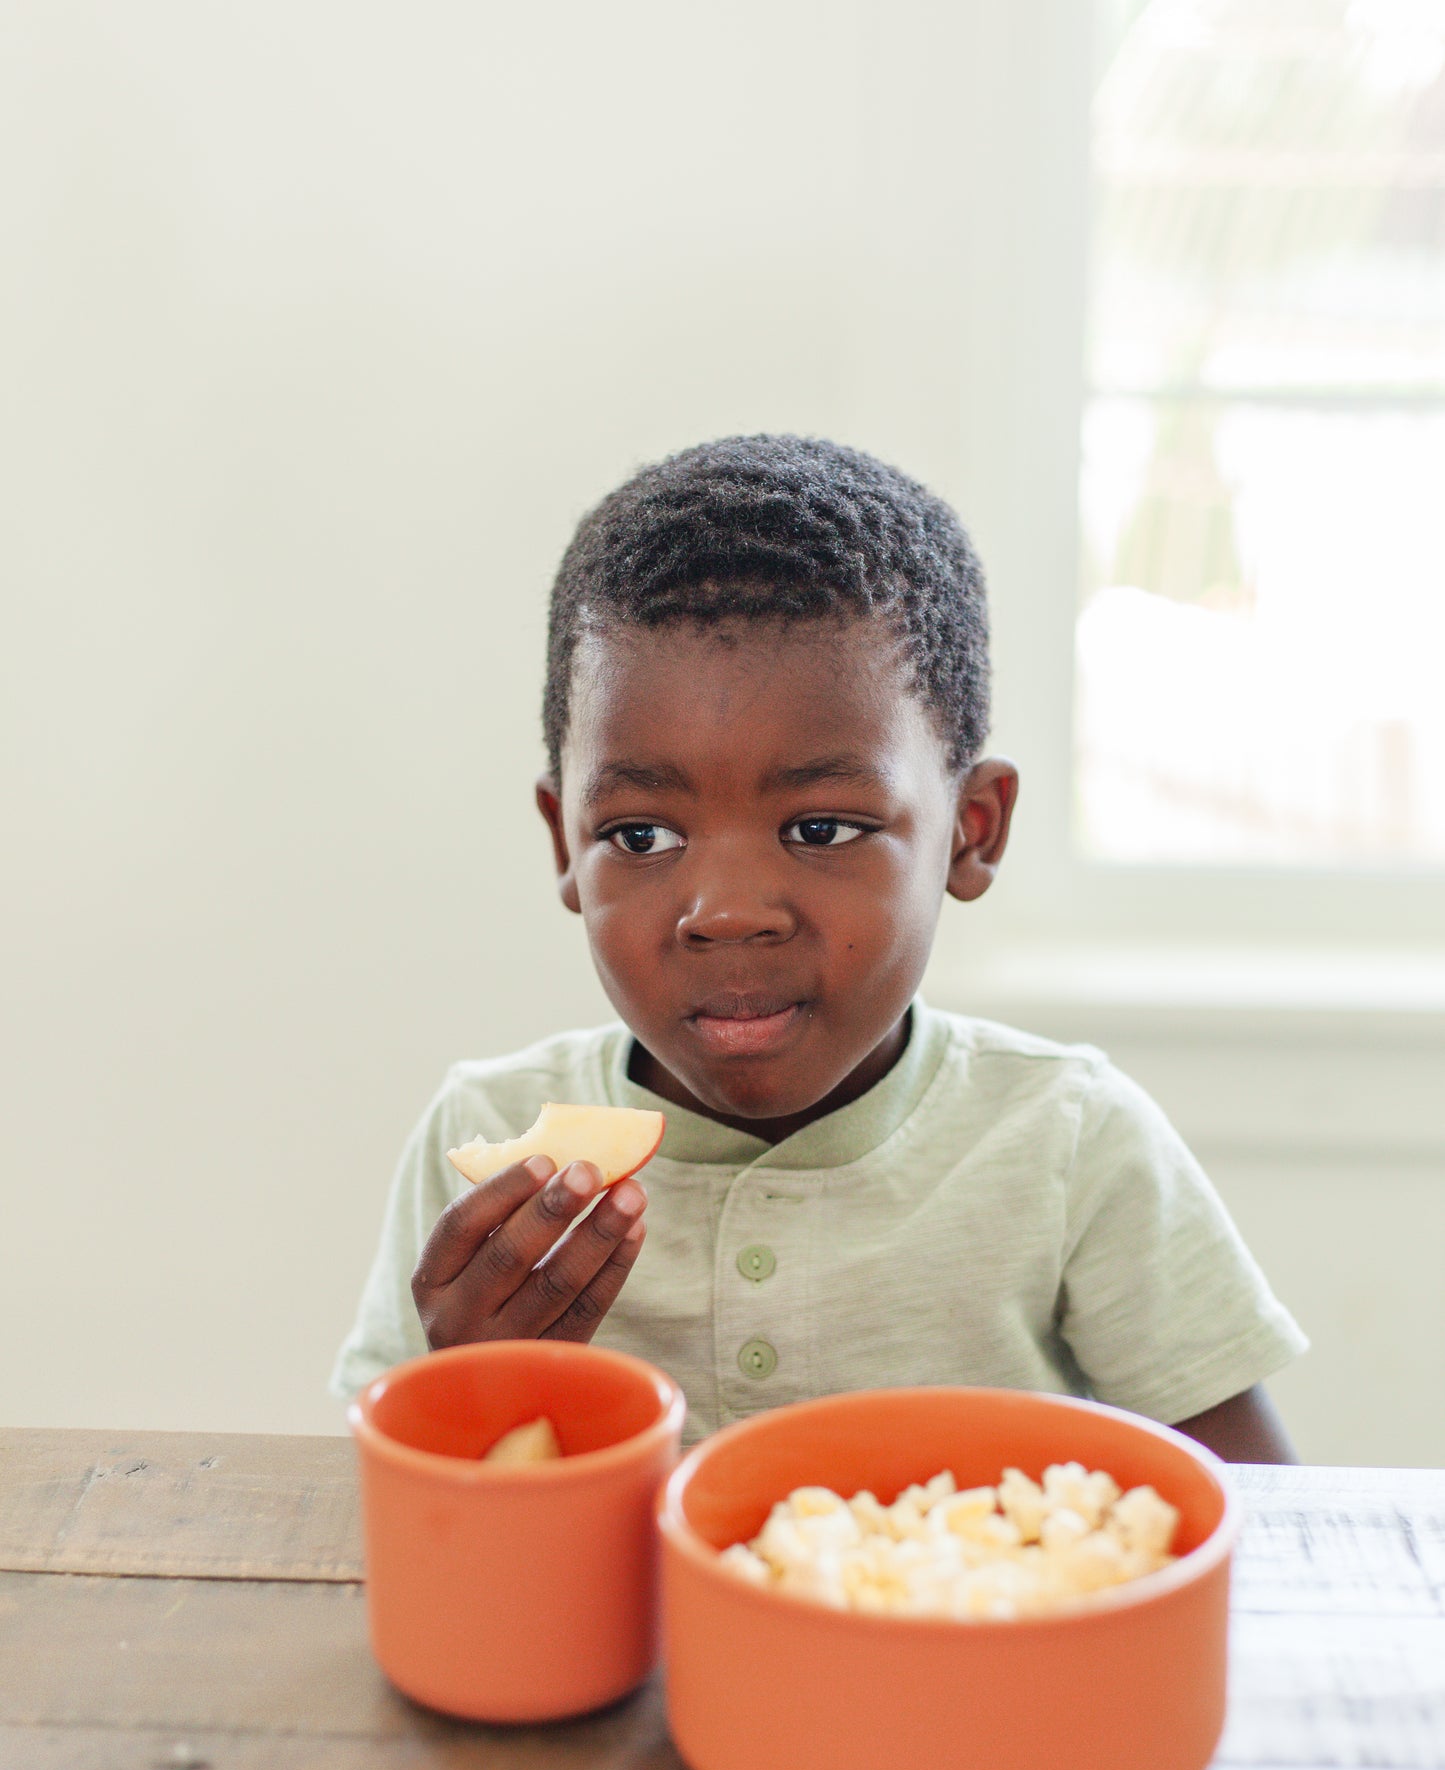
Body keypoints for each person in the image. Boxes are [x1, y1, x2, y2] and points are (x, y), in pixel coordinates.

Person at [332, 435, 1305, 1461]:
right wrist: (468, 1391)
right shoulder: (489, 1142)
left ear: (969, 831)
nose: (727, 910)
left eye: (821, 828)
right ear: (563, 842)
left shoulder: (1066, 1143)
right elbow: (387, 1533)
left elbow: (1263, 1525)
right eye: (640, 836)